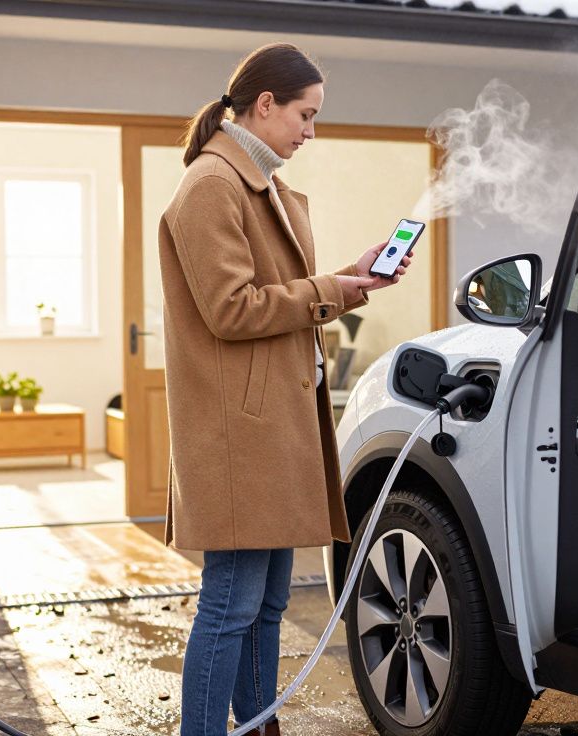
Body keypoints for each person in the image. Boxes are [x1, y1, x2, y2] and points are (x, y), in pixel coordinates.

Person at [158, 43, 412, 736]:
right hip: (240, 436)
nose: (310, 129)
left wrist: (347, 279)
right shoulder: (213, 184)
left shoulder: (254, 183)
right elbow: (232, 308)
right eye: (305, 113)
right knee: (230, 604)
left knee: (267, 602)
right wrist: (331, 290)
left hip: (264, 431)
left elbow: (273, 292)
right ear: (263, 104)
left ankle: (256, 722)